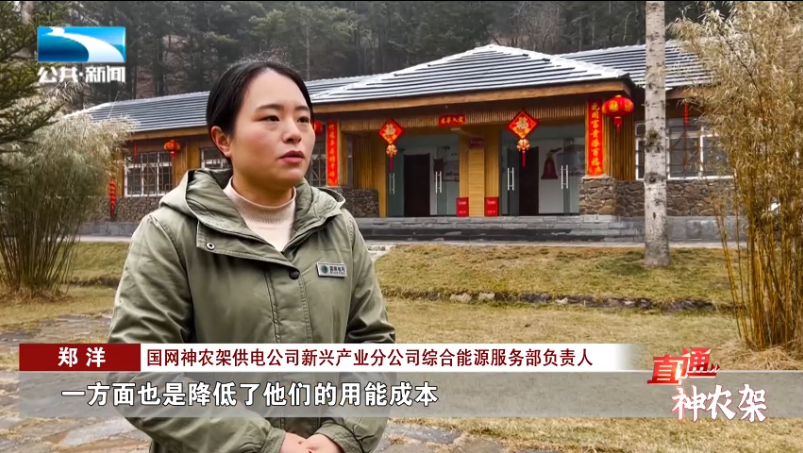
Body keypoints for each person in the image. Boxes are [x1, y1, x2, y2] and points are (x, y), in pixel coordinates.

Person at [107, 59, 396, 453]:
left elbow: (372, 343)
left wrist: (341, 436)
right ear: (223, 139)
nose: (294, 133)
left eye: (304, 119)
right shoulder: (171, 233)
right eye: (271, 118)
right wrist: (263, 444)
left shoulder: (338, 227)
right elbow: (137, 372)